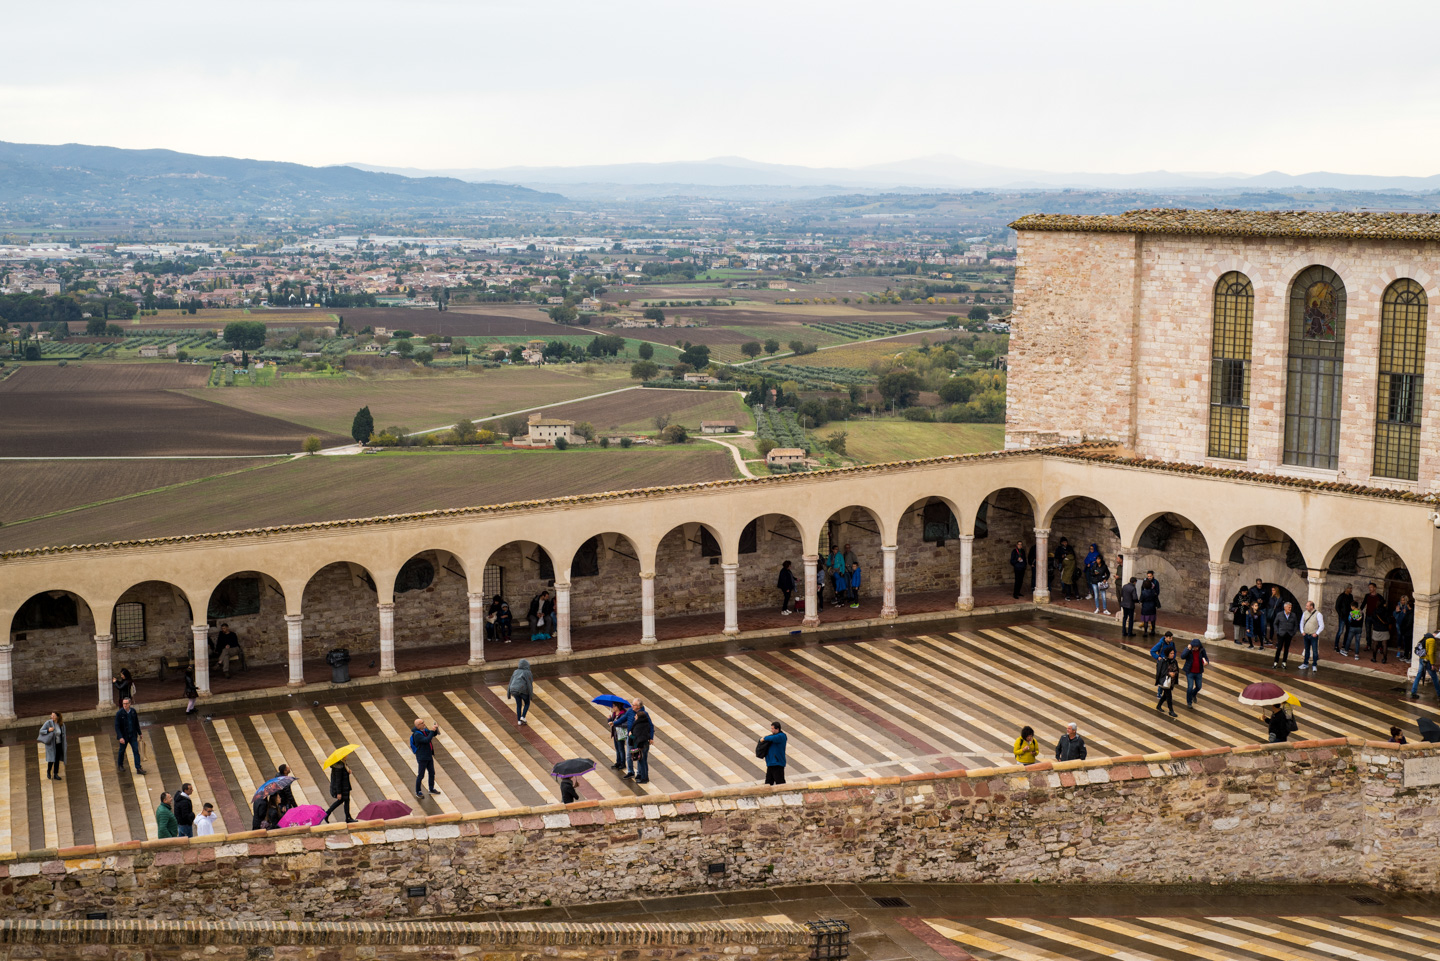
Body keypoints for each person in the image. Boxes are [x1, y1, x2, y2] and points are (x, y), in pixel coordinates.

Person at [410, 718, 442, 799]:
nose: (424, 724)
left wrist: (435, 729)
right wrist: (432, 731)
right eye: (422, 723)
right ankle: (418, 791)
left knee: (432, 772)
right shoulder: (417, 735)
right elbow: (427, 740)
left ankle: (431, 788)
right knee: (421, 775)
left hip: (429, 755)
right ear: (418, 725)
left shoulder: (424, 730)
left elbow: (432, 735)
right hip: (422, 757)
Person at [115, 696, 145, 774]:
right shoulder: (119, 713)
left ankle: (138, 768)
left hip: (132, 735)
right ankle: (120, 765)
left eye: (126, 703)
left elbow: (136, 723)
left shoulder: (133, 712)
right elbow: (117, 726)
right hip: (124, 736)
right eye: (123, 703)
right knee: (122, 751)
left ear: (129, 704)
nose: (124, 705)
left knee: (136, 751)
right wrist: (120, 737)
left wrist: (140, 733)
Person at [629, 700, 654, 784]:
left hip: (641, 746)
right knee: (644, 762)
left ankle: (644, 778)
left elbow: (636, 737)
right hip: (646, 745)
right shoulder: (645, 724)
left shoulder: (638, 726)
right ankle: (645, 777)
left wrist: (630, 735)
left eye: (636, 716)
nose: (635, 717)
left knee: (642, 762)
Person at [324, 759, 355, 823]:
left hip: (345, 787)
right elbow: (338, 781)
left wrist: (348, 772)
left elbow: (343, 775)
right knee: (342, 801)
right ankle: (327, 813)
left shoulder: (343, 764)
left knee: (346, 801)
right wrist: (339, 793)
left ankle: (348, 817)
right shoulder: (339, 767)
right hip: (343, 788)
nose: (347, 756)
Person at [1411, 633, 1440, 700]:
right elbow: (1431, 653)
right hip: (1428, 661)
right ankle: (1439, 694)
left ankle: (1413, 692)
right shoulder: (1432, 640)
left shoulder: (1425, 638)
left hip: (1422, 659)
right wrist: (1432, 664)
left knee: (1418, 675)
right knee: (1434, 677)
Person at [1272, 600, 1300, 670]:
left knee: (1286, 648)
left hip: (1289, 634)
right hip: (1281, 633)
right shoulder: (1279, 614)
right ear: (1285, 608)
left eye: (1290, 607)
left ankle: (1284, 662)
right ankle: (1275, 662)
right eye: (1288, 607)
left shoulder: (1293, 615)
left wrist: (1293, 632)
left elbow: (1296, 624)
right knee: (1279, 648)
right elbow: (1275, 623)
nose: (1290, 609)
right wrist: (1277, 631)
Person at [1298, 601, 1325, 672]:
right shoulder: (1305, 613)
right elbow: (1301, 622)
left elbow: (1321, 625)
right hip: (1306, 634)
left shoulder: (1318, 614)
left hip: (1313, 635)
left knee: (1315, 650)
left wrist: (1317, 633)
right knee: (1307, 650)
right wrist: (1302, 631)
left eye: (1307, 606)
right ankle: (1305, 663)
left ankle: (1314, 664)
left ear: (1311, 606)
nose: (1306, 607)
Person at [39, 711, 66, 780]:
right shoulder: (48, 723)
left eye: (53, 716)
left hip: (59, 744)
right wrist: (48, 730)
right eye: (51, 715)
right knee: (51, 759)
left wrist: (64, 743)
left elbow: (63, 734)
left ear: (57, 717)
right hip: (51, 745)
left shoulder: (61, 724)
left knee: (57, 759)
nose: (52, 717)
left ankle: (55, 774)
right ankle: (48, 771)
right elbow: (41, 731)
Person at [1182, 638, 1208, 708]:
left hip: (1198, 672)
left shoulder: (1202, 650)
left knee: (1199, 686)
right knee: (1190, 687)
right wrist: (1188, 649)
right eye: (1194, 647)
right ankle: (1189, 702)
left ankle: (1193, 694)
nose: (1195, 648)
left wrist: (1206, 662)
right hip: (1190, 672)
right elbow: (1182, 656)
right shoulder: (1189, 650)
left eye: (1197, 647)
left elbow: (1206, 658)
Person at [1154, 647, 1179, 718]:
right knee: (1169, 696)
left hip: (1171, 681)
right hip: (1165, 681)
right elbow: (1160, 672)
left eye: (1173, 653)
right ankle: (1171, 711)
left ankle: (1159, 706)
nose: (1172, 655)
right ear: (1167, 654)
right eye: (1171, 653)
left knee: (1165, 695)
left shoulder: (1174, 661)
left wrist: (1174, 673)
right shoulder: (1163, 661)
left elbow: (1177, 670)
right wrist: (1169, 674)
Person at [508, 658, 533, 725]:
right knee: (527, 703)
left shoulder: (515, 671)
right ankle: (523, 717)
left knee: (518, 705)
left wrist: (508, 693)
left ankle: (519, 721)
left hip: (514, 690)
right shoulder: (527, 672)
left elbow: (511, 682)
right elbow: (529, 683)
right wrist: (530, 695)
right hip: (523, 690)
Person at [761, 720, 788, 785]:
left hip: (777, 763)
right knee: (768, 783)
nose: (771, 730)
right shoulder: (773, 737)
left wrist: (764, 738)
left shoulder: (781, 736)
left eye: (773, 729)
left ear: (777, 729)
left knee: (780, 782)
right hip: (771, 763)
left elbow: (773, 738)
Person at [1086, 548, 1111, 614]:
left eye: (1099, 559)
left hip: (1101, 582)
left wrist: (1105, 579)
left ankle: (1105, 609)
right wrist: (1095, 573)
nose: (1097, 560)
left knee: (1103, 596)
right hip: (1094, 582)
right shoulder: (1094, 565)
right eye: (1097, 559)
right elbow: (1091, 572)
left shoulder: (1104, 566)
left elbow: (1108, 573)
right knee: (1096, 596)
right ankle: (1097, 608)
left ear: (1101, 560)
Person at [608, 702, 631, 770]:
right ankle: (618, 762)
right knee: (617, 749)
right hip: (615, 733)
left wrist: (616, 724)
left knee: (621, 749)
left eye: (614, 706)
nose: (613, 707)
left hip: (620, 734)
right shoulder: (614, 714)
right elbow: (611, 723)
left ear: (618, 706)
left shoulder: (623, 714)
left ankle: (622, 763)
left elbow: (626, 724)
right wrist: (609, 719)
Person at [1369, 599, 1392, 665]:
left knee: (1375, 644)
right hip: (1384, 629)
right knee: (1384, 644)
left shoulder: (1375, 611)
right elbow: (1389, 621)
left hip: (1376, 629)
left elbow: (1372, 620)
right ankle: (1384, 659)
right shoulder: (1386, 611)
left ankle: (1374, 658)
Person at [1333, 584, 1355, 652]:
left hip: (1349, 616)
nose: (1351, 590)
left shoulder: (1350, 596)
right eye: (1350, 588)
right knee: (1340, 631)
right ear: (1346, 589)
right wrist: (1341, 614)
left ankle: (1345, 645)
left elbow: (1352, 605)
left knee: (1348, 631)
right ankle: (1336, 646)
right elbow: (1337, 606)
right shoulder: (1341, 596)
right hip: (1343, 617)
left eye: (1351, 588)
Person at [1361, 582, 1383, 649]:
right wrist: (1360, 610)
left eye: (1371, 587)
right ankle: (1368, 645)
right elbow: (1363, 603)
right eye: (1369, 587)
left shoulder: (1379, 597)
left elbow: (1383, 605)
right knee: (1368, 631)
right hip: (1368, 616)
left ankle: (1378, 645)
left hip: (1376, 617)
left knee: (1377, 631)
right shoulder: (1367, 596)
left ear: (1375, 588)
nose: (1370, 589)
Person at [1394, 595, 1413, 661]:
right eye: (1401, 600)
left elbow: (1407, 619)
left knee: (1406, 640)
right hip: (1399, 624)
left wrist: (1404, 613)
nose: (1402, 601)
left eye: (1404, 600)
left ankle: (1406, 653)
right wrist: (1397, 611)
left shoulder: (1408, 608)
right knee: (1399, 638)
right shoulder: (1398, 606)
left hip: (1405, 626)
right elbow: (1395, 615)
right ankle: (1399, 651)